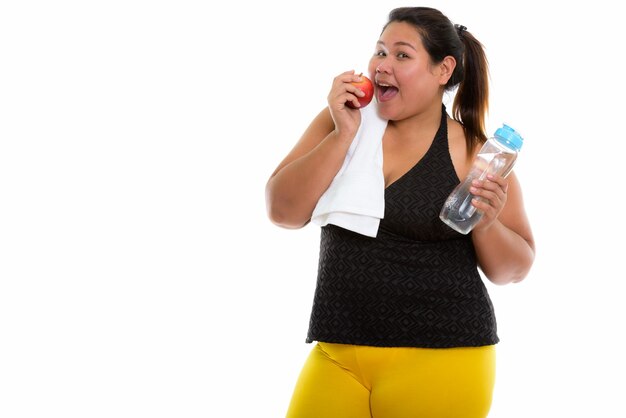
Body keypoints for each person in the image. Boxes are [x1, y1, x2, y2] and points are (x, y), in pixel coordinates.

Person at [265, 6, 535, 418]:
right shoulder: (344, 120)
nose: (382, 66)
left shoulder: (474, 151)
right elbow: (283, 211)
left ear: (443, 70)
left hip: (443, 358)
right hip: (338, 353)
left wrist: (487, 222)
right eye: (379, 51)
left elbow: (513, 269)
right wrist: (342, 138)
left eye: (402, 55)